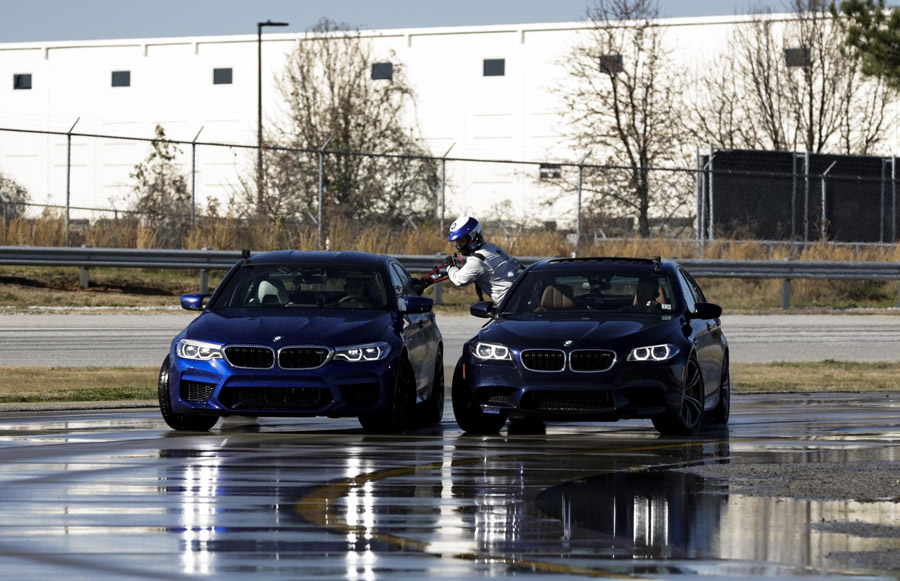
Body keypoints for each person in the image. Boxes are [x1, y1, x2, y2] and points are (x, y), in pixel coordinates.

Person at [442, 216, 523, 305]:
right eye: (457, 241)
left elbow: (459, 280)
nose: (458, 245)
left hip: (511, 304)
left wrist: (450, 266)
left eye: (461, 240)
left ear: (474, 237)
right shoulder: (492, 248)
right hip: (519, 295)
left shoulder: (477, 260)